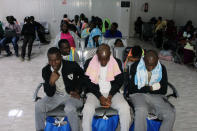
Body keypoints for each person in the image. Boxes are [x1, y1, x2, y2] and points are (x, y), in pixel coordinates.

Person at [82, 44, 131, 131]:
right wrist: (100, 96)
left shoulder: (117, 62)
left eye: (106, 58)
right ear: (97, 54)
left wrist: (110, 96)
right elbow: (88, 83)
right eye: (101, 59)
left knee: (125, 107)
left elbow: (119, 81)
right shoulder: (89, 63)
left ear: (110, 54)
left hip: (113, 93)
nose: (104, 62)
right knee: (87, 109)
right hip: (94, 93)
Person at [35, 47, 85, 131]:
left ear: (61, 58)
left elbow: (84, 77)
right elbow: (49, 93)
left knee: (69, 109)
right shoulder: (46, 70)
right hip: (55, 96)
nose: (54, 63)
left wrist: (78, 90)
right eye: (51, 60)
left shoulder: (71, 65)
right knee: (39, 106)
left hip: (71, 95)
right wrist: (51, 82)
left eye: (56, 60)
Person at [128, 50, 176, 131]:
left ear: (157, 61)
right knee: (141, 110)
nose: (151, 68)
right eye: (148, 65)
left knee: (170, 113)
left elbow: (163, 90)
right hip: (138, 95)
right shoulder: (136, 66)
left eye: (153, 65)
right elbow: (132, 88)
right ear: (143, 60)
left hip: (156, 96)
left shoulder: (162, 68)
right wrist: (150, 88)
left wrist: (144, 88)